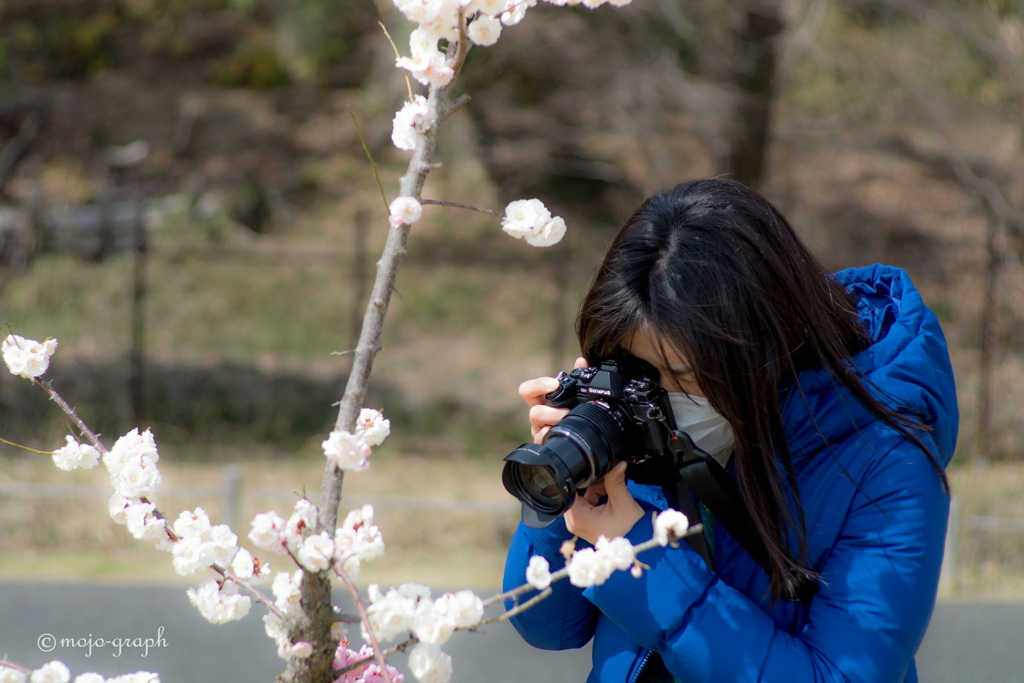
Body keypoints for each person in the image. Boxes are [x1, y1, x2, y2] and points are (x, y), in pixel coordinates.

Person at [502, 178, 958, 683]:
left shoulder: (886, 460)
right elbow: (547, 626)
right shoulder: (640, 424)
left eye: (681, 373)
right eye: (632, 368)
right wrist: (562, 486)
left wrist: (640, 558)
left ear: (762, 346)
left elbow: (843, 677)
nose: (658, 395)